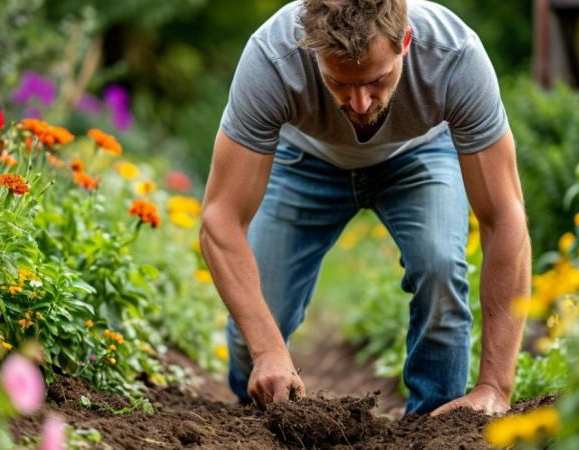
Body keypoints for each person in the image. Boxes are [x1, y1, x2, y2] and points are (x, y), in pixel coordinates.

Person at [199, 0, 531, 417]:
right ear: (312, 53)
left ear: (405, 42)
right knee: (259, 328)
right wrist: (267, 350)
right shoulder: (272, 58)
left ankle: (439, 429)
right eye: (339, 83)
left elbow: (504, 217)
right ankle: (255, 418)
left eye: (377, 80)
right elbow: (220, 219)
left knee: (440, 269)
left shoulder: (455, 56)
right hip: (304, 162)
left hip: (419, 155)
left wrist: (496, 387)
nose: (359, 104)